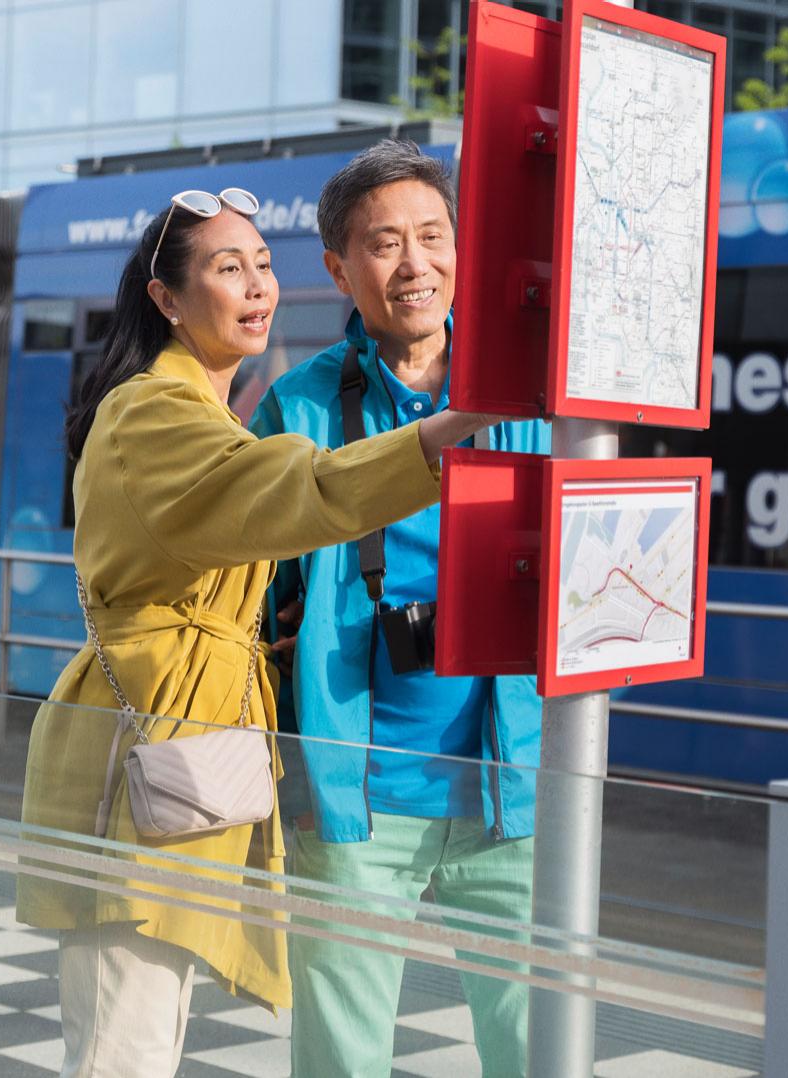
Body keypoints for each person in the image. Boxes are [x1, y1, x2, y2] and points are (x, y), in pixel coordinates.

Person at [16, 186, 503, 1078]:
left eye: (262, 265)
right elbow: (287, 491)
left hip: (185, 764)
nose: (255, 287)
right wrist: (441, 439)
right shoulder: (154, 411)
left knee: (140, 1039)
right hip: (143, 766)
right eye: (225, 268)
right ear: (166, 298)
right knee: (122, 1050)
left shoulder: (197, 407)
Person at [250, 140, 550, 1077]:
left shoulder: (531, 397)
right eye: (384, 244)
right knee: (341, 1060)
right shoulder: (295, 410)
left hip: (518, 786)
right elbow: (245, 595)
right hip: (354, 801)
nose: (414, 263)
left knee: (540, 1050)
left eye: (432, 235)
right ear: (340, 268)